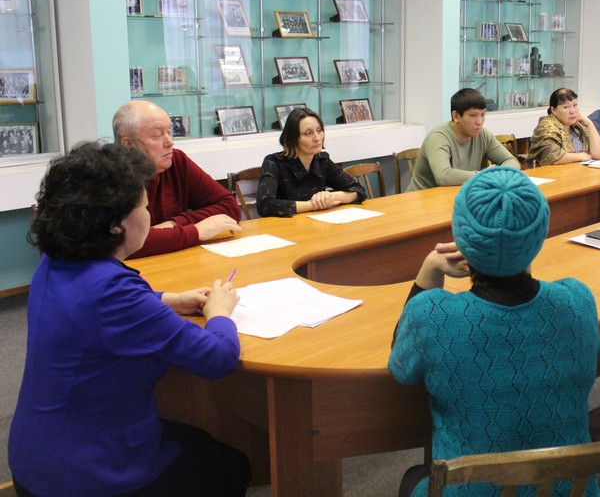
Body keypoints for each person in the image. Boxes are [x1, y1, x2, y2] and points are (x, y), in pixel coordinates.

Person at [8, 142, 250, 497]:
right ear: (115, 225)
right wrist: (219, 313)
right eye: (145, 206)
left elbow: (95, 306)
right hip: (86, 473)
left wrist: (166, 299)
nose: (150, 215)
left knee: (197, 440)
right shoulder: (114, 291)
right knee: (232, 466)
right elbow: (218, 358)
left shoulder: (58, 259)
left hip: (38, 454)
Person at [390, 167, 600, 497]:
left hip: (470, 490)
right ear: (539, 235)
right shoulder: (578, 299)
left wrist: (430, 267)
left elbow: (401, 367)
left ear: (461, 236)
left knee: (414, 479)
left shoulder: (431, 315)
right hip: (569, 490)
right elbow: (596, 353)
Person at [113, 100, 242, 258]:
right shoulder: (107, 175)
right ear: (128, 144)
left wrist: (172, 224)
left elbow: (229, 207)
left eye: (169, 132)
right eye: (157, 135)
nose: (170, 142)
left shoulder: (176, 161)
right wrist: (195, 231)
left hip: (173, 261)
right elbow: (121, 244)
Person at [256, 107, 367, 217]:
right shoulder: (274, 162)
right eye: (308, 133)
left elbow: (358, 190)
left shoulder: (322, 160)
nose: (317, 138)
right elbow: (265, 205)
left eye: (319, 130)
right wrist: (313, 205)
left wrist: (330, 197)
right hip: (287, 225)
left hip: (318, 222)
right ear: (293, 138)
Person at [406, 88, 519, 191]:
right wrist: (483, 176)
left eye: (483, 115)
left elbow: (511, 161)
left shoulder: (482, 134)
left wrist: (497, 174)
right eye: (473, 116)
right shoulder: (438, 137)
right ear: (456, 116)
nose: (479, 122)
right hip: (422, 200)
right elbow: (443, 176)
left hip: (457, 194)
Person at [527, 87, 600, 165]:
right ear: (554, 110)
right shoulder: (546, 127)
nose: (572, 111)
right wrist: (579, 156)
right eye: (566, 107)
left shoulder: (578, 126)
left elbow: (599, 155)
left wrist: (589, 124)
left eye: (575, 105)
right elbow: (552, 156)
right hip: (550, 172)